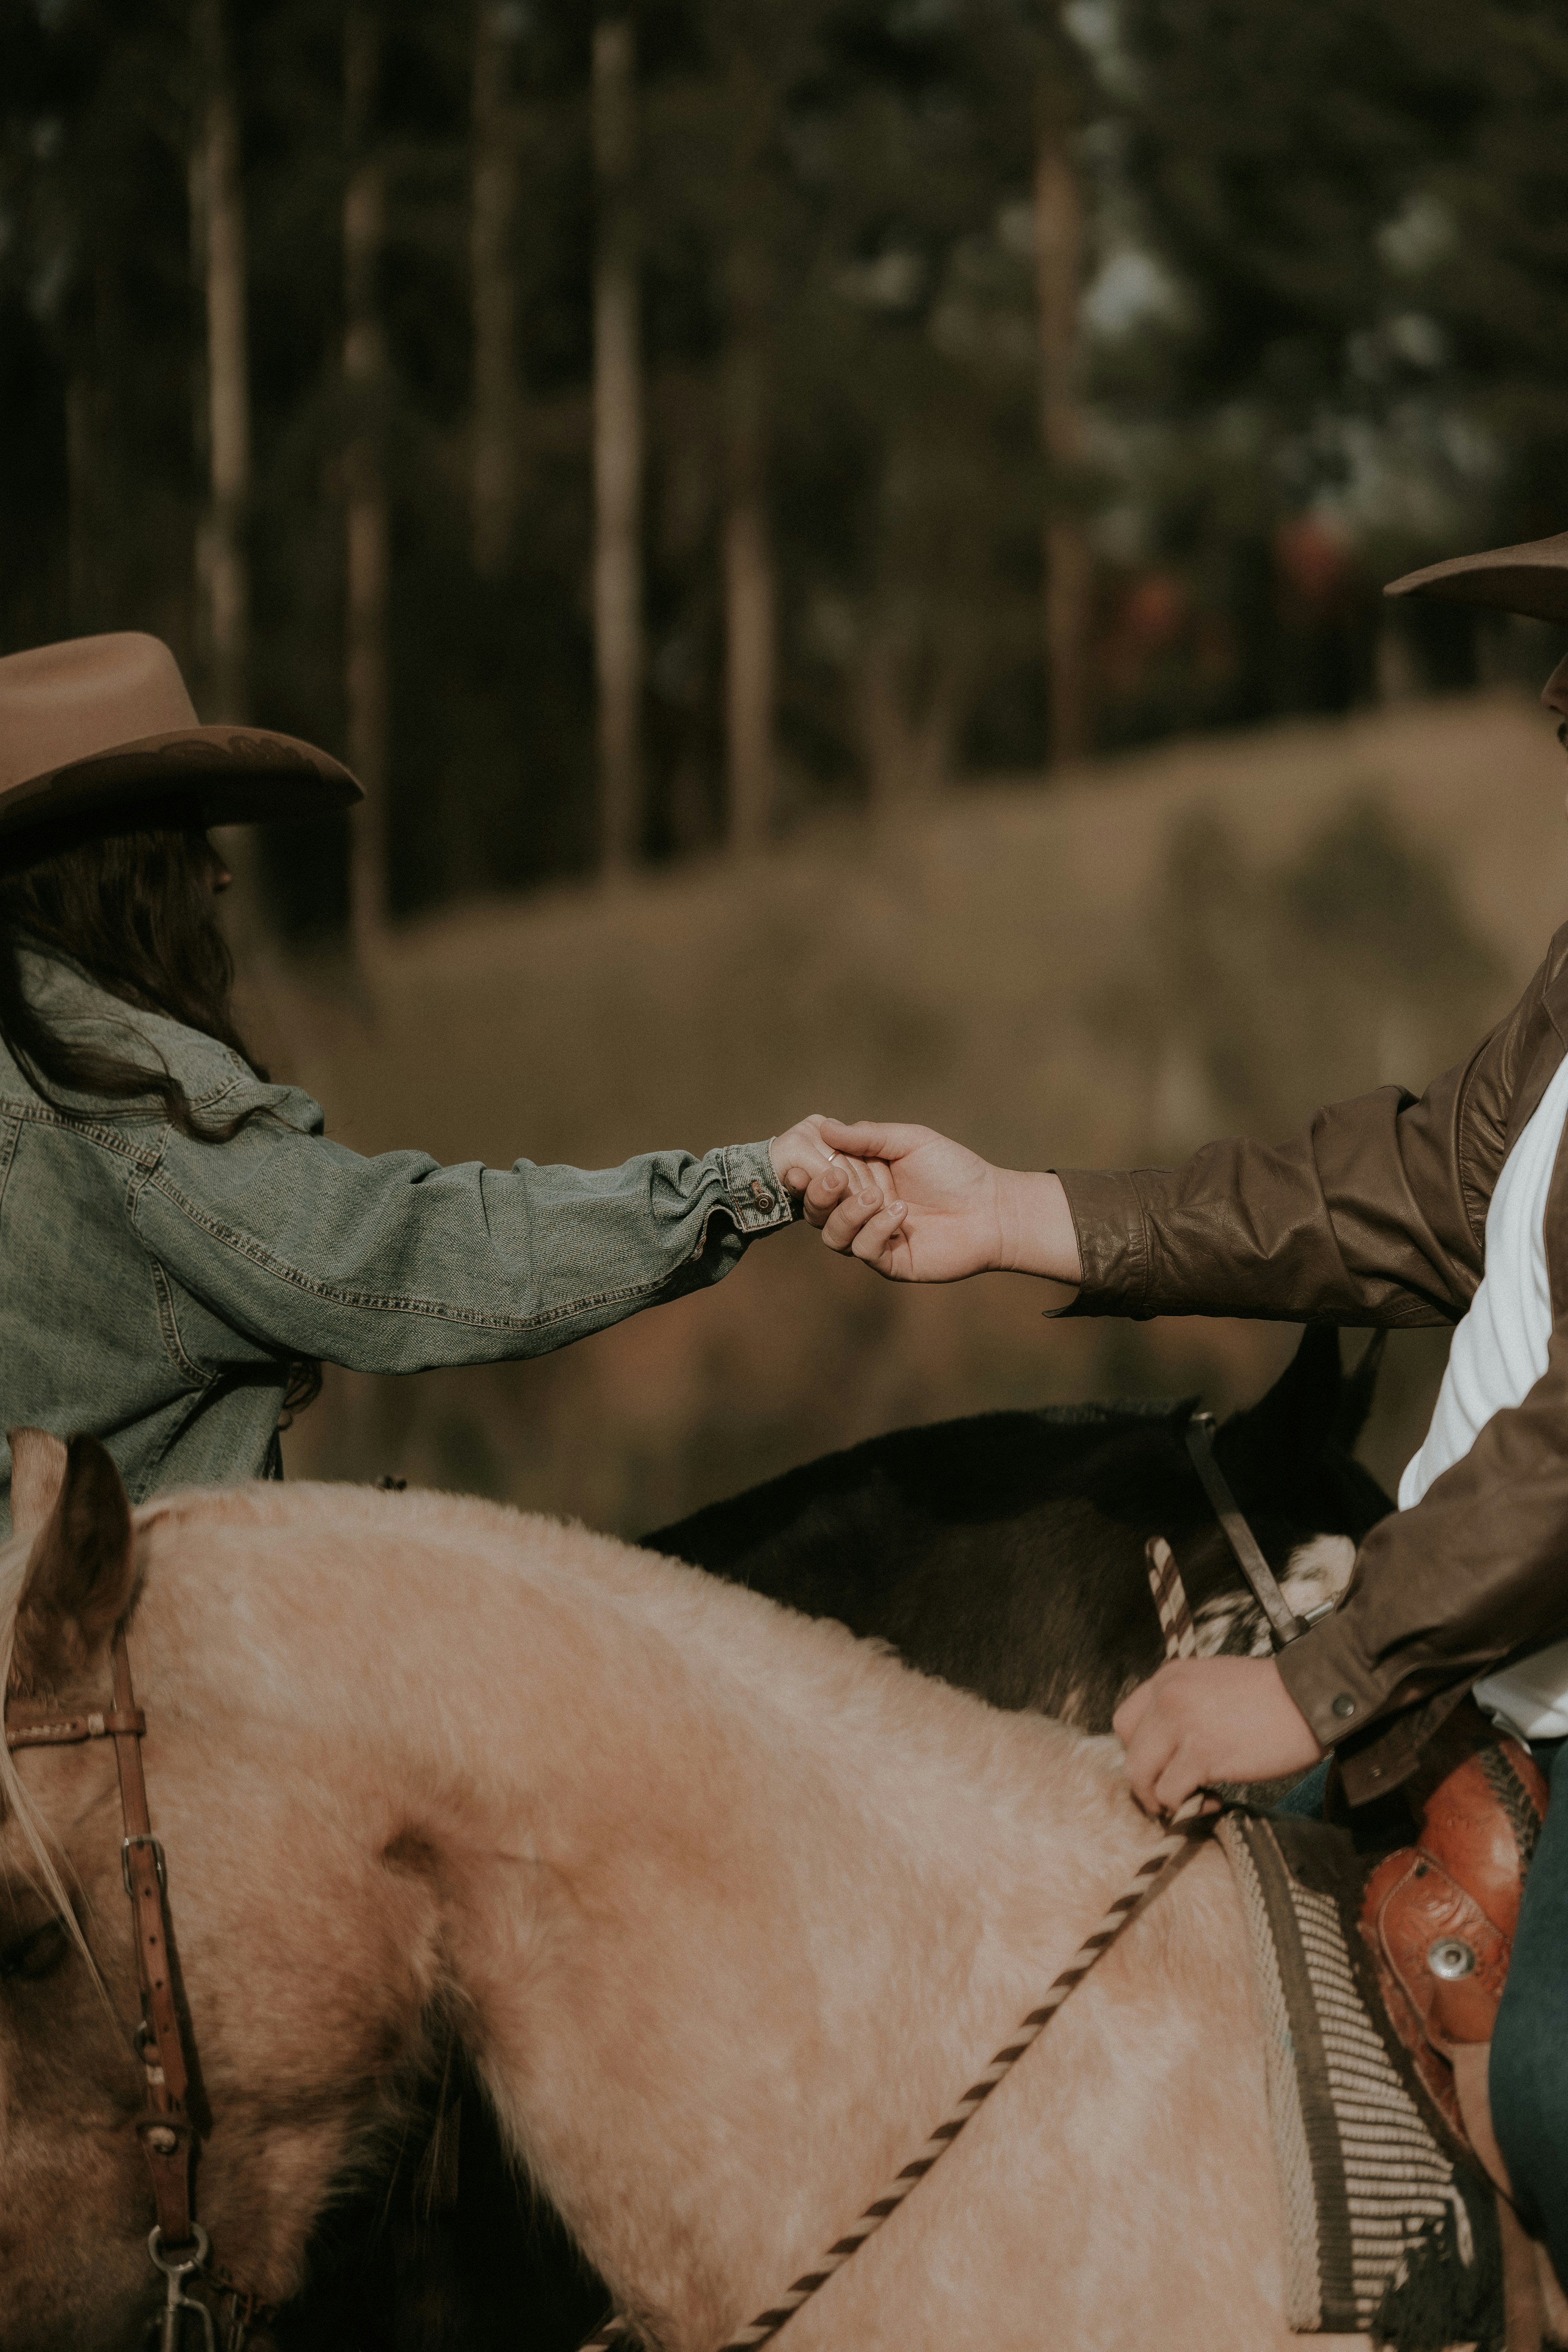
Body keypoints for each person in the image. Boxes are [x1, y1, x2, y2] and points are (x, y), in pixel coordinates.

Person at [805, 523, 1568, 2281]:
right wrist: (1012, 1213)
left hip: (1465, 1683)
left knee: (1555, 2092)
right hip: (1465, 1682)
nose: (1549, 698)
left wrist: (1310, 1688)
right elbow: (1408, 1184)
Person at [0, 630, 851, 1534]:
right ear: (120, 867)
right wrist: (742, 1184)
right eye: (188, 837)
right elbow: (403, 1250)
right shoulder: (123, 1101)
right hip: (107, 1664)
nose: (217, 875)